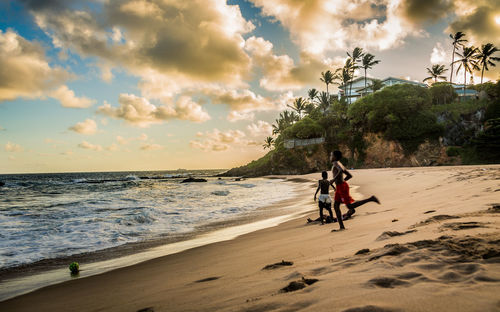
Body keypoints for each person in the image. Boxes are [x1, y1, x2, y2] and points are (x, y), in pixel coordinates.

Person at [331, 150, 380, 228]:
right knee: (336, 206)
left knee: (349, 206)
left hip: (341, 187)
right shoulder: (339, 164)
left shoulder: (336, 163)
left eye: (331, 155)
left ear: (335, 157)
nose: (330, 157)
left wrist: (334, 180)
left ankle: (371, 199)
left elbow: (340, 171)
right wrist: (341, 182)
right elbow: (349, 175)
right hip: (340, 187)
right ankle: (341, 227)